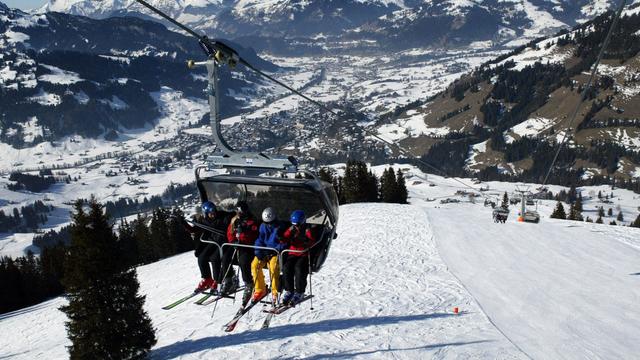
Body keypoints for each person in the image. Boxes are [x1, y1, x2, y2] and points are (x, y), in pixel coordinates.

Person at [183, 201, 235, 293]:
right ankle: (207, 279)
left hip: (223, 242)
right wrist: (183, 223)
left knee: (215, 258)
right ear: (206, 214)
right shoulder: (203, 220)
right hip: (213, 242)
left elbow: (231, 216)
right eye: (211, 213)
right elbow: (194, 230)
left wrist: (236, 214)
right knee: (201, 257)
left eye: (214, 212)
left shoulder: (222, 217)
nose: (213, 214)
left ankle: (217, 280)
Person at [251, 207, 286, 304]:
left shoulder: (280, 227)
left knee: (273, 268)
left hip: (275, 252)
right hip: (265, 251)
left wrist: (275, 250)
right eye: (267, 223)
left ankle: (275, 291)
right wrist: (259, 252)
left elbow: (284, 242)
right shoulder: (263, 226)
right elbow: (260, 240)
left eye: (270, 222)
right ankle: (260, 289)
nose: (269, 225)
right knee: (255, 265)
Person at [226, 200, 259, 305]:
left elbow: (255, 234)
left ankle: (249, 283)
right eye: (237, 211)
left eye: (240, 211)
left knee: (243, 262)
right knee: (225, 257)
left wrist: (245, 231)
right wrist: (233, 241)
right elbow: (230, 232)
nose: (238, 213)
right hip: (238, 245)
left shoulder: (252, 220)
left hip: (248, 247)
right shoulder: (234, 220)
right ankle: (229, 280)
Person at [281, 210, 316, 306]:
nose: (295, 226)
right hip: (293, 252)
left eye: (297, 224)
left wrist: (306, 242)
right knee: (286, 267)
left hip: (303, 253)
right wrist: (281, 238)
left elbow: (312, 241)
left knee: (299, 268)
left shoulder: (307, 229)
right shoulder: (292, 228)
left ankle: (300, 291)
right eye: (294, 224)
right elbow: (285, 237)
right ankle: (289, 290)